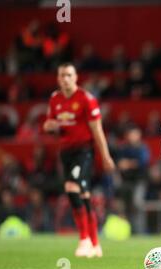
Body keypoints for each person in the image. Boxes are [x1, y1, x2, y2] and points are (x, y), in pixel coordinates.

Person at [43, 63, 115, 258]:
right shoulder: (55, 99)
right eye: (62, 75)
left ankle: (84, 240)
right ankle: (95, 243)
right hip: (65, 152)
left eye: (68, 75)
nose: (65, 78)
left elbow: (97, 130)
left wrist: (106, 156)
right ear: (58, 78)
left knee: (71, 188)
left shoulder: (86, 99)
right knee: (83, 195)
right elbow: (51, 124)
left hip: (84, 152)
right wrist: (50, 126)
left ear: (75, 77)